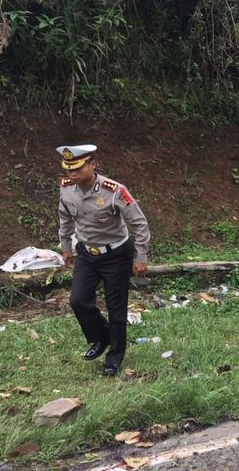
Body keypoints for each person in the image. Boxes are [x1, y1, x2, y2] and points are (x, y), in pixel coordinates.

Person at [57, 144, 150, 376]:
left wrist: (141, 256)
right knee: (78, 301)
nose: (72, 173)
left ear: (93, 165)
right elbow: (65, 217)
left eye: (77, 168)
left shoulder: (114, 191)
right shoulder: (67, 188)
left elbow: (140, 223)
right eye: (68, 168)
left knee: (115, 307)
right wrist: (66, 246)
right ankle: (101, 337)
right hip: (87, 253)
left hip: (117, 254)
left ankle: (114, 356)